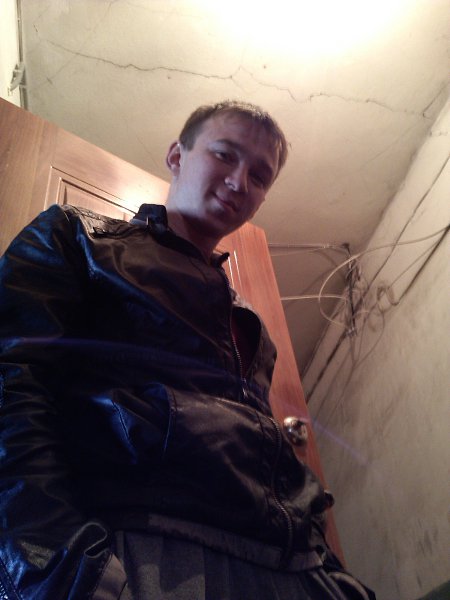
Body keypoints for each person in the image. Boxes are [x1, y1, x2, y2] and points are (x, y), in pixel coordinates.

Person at [0, 100, 375, 599]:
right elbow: (12, 382)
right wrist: (57, 566)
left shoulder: (251, 325)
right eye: (225, 155)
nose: (239, 182)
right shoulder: (78, 238)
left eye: (259, 176)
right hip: (151, 546)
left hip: (297, 563)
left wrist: (328, 566)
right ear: (177, 155)